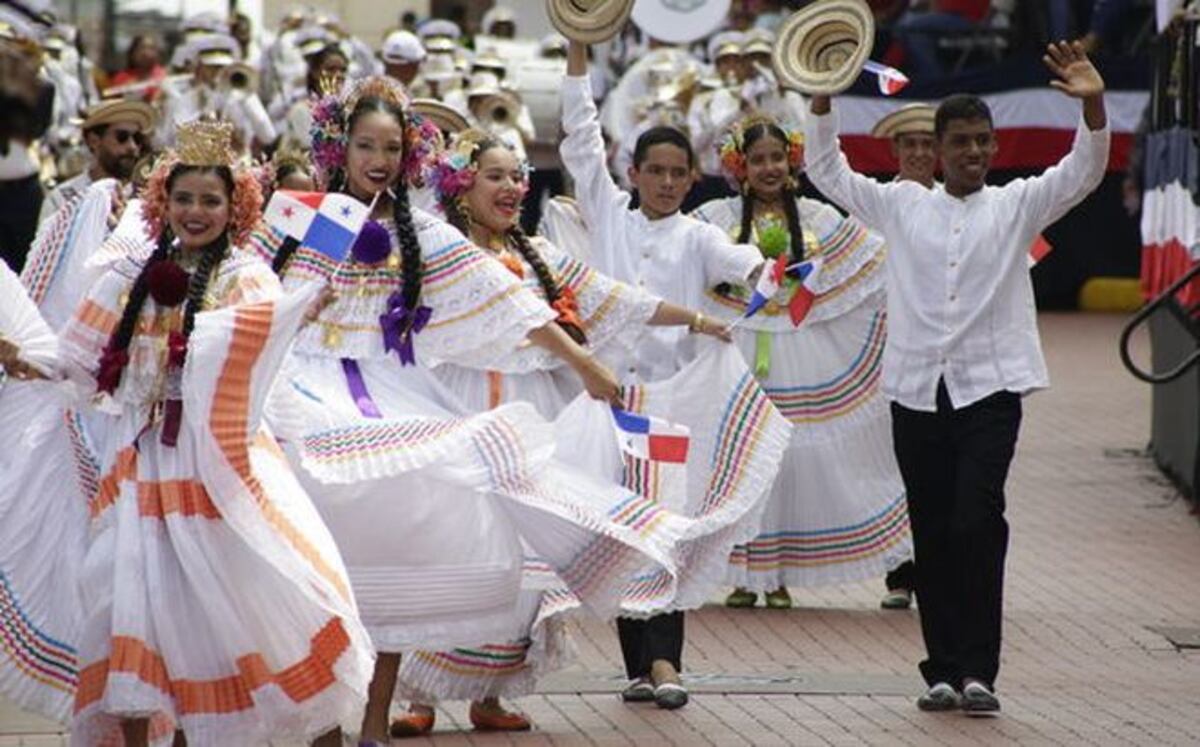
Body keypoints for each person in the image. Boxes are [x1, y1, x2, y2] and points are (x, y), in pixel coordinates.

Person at [253, 75, 695, 743]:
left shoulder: (422, 233)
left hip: (389, 400)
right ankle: (321, 723)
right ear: (339, 148)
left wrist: (583, 361)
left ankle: (371, 723)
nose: (379, 159)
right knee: (311, 568)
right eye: (366, 145)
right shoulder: (297, 217)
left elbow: (508, 298)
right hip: (302, 396)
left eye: (392, 148)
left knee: (397, 562)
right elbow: (236, 285)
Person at [384, 129, 786, 733]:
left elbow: (615, 299)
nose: (511, 187)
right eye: (495, 176)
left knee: (521, 550)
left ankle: (490, 690)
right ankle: (420, 694)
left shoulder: (538, 256)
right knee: (453, 538)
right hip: (459, 405)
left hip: (530, 413)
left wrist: (700, 320)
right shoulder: (444, 251)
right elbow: (518, 316)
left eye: (517, 177)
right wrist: (586, 365)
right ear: (462, 187)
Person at [0, 118, 374, 746]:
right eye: (183, 198)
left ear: (235, 208)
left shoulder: (246, 277)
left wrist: (300, 309)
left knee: (261, 598)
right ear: (163, 203)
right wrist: (21, 356)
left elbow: (261, 350)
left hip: (223, 465)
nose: (195, 212)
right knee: (134, 605)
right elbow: (78, 361)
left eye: (210, 200)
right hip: (143, 466)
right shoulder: (127, 277)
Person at [803, 41, 1109, 714]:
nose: (974, 151)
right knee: (933, 529)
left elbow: (1085, 171)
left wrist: (1092, 106)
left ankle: (979, 670)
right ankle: (942, 670)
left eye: (982, 141)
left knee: (977, 518)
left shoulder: (1018, 204)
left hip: (990, 390)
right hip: (915, 390)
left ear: (995, 147)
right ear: (938, 150)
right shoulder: (901, 205)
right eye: (961, 142)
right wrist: (820, 95)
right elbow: (825, 169)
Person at [561, 38, 766, 707]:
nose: (669, 183)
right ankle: (637, 666)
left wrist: (768, 269)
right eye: (656, 171)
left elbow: (742, 263)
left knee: (664, 532)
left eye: (679, 172)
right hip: (609, 401)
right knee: (624, 530)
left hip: (671, 407)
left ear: (692, 177)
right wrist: (576, 57)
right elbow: (581, 138)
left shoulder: (698, 236)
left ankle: (666, 663)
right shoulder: (609, 216)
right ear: (634, 172)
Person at [691, 115, 911, 610]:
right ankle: (744, 573)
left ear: (791, 161)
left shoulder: (816, 217)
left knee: (789, 459)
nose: (769, 168)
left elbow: (874, 259)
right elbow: (683, 257)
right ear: (739, 166)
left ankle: (778, 573)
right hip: (738, 346)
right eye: (757, 160)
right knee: (742, 454)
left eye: (776, 158)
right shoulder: (716, 218)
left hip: (799, 344)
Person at [38, 99, 154, 224]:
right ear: (93, 141)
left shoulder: (150, 197)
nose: (132, 146)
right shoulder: (62, 200)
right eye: (122, 137)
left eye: (137, 138)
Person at [107, 34, 167, 102]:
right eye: (141, 48)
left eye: (151, 48)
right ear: (132, 53)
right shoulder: (121, 78)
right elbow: (113, 102)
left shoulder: (165, 75)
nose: (146, 53)